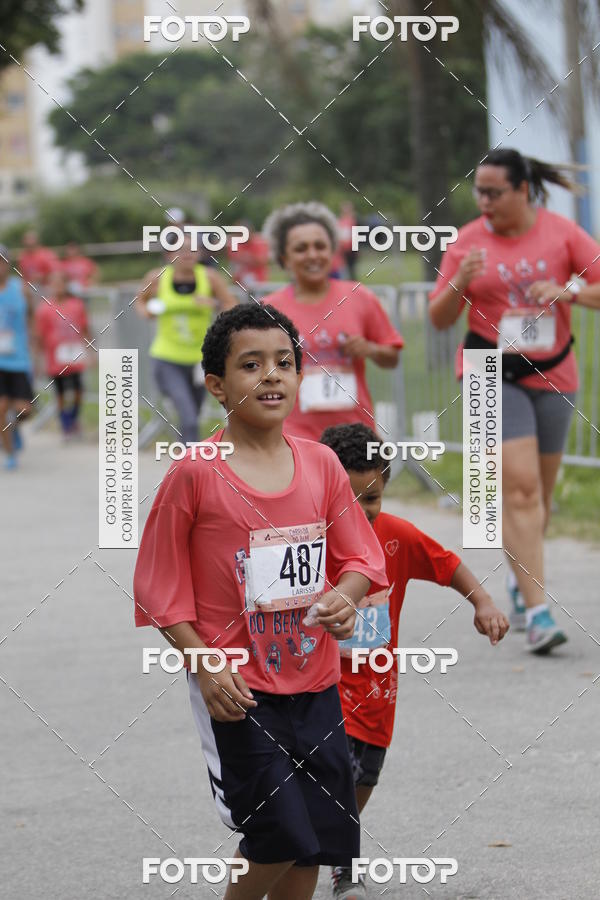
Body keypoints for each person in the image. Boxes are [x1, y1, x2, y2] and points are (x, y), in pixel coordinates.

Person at [133, 303, 388, 900]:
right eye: (251, 365)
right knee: (276, 835)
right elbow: (157, 586)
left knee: (315, 839)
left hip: (316, 682)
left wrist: (345, 597)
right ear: (217, 385)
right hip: (238, 690)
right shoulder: (195, 474)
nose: (271, 375)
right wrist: (204, 661)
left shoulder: (322, 464)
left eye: (284, 363)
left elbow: (362, 558)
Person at [320, 423, 509, 900]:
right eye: (346, 501)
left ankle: (334, 844)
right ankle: (340, 865)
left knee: (362, 780)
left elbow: (447, 564)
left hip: (376, 693)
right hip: (319, 689)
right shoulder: (308, 544)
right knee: (325, 778)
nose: (361, 511)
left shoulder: (395, 536)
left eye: (371, 498)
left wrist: (483, 602)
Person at [429, 148, 600, 654]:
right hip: (487, 370)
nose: (484, 201)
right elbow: (439, 318)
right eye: (478, 192)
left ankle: (520, 578)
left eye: (494, 192)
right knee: (519, 489)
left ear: (522, 189)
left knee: (538, 497)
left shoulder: (561, 234)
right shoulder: (466, 242)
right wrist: (460, 281)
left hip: (552, 371)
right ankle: (540, 613)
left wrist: (569, 292)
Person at [262, 202, 403, 442]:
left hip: (353, 436)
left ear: (333, 251)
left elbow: (392, 357)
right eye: (301, 249)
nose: (312, 255)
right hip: (293, 438)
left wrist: (369, 349)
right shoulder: (268, 309)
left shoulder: (359, 296)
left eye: (320, 246)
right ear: (284, 258)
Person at [137, 234, 237, 444]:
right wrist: (147, 312)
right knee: (188, 416)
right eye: (182, 250)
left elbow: (230, 304)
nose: (187, 254)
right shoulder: (157, 277)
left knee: (193, 416)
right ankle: (190, 458)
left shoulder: (209, 277)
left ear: (200, 254)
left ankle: (183, 455)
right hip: (167, 358)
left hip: (200, 361)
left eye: (193, 250)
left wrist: (214, 304)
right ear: (169, 254)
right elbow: (140, 300)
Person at [34, 269, 91, 437]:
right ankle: (65, 423)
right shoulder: (44, 309)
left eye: (61, 283)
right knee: (60, 392)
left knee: (78, 389)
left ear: (66, 285)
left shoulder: (77, 305)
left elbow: (85, 328)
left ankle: (74, 417)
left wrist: (90, 350)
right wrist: (39, 359)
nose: (58, 287)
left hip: (74, 354)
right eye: (54, 284)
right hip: (55, 357)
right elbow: (40, 335)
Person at [0, 245, 35, 470]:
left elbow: (31, 319)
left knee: (25, 410)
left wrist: (36, 349)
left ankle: (14, 427)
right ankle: (10, 454)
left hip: (19, 358)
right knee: (1, 408)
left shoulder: (21, 289)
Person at [227, 222, 270, 290]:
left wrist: (244, 258)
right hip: (239, 282)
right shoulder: (235, 244)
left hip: (257, 282)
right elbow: (234, 260)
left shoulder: (258, 242)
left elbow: (260, 261)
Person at [337, 203, 359, 280]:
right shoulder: (340, 221)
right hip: (343, 250)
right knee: (343, 269)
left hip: (352, 249)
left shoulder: (354, 220)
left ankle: (353, 283)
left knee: (352, 269)